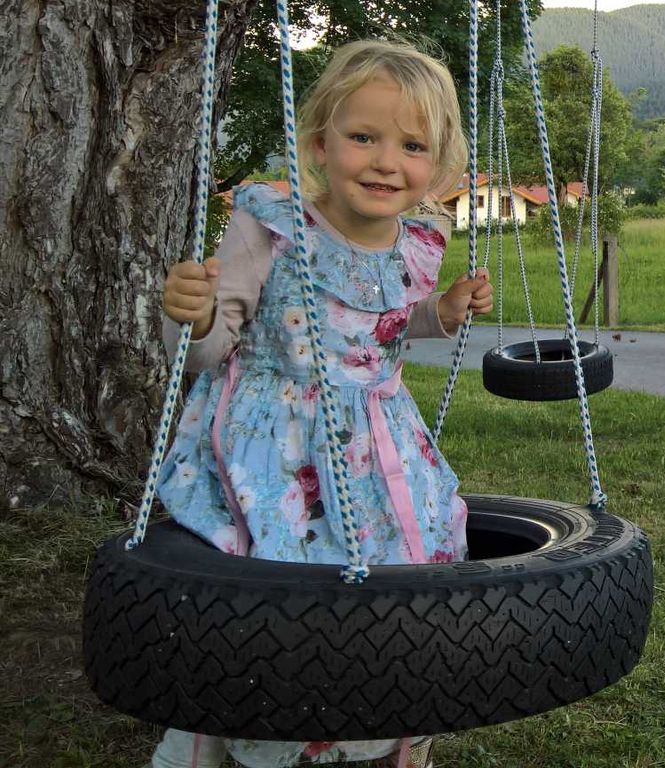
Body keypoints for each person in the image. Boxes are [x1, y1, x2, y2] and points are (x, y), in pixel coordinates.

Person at [148, 40, 492, 768]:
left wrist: (443, 313)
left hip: (381, 443)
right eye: (363, 137)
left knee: (412, 561)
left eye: (412, 145)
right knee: (286, 580)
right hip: (274, 439)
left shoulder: (421, 239)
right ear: (320, 144)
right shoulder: (272, 226)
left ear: (439, 162)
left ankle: (381, 727)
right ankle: (246, 732)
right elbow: (214, 349)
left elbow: (382, 327)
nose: (385, 161)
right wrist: (198, 314)